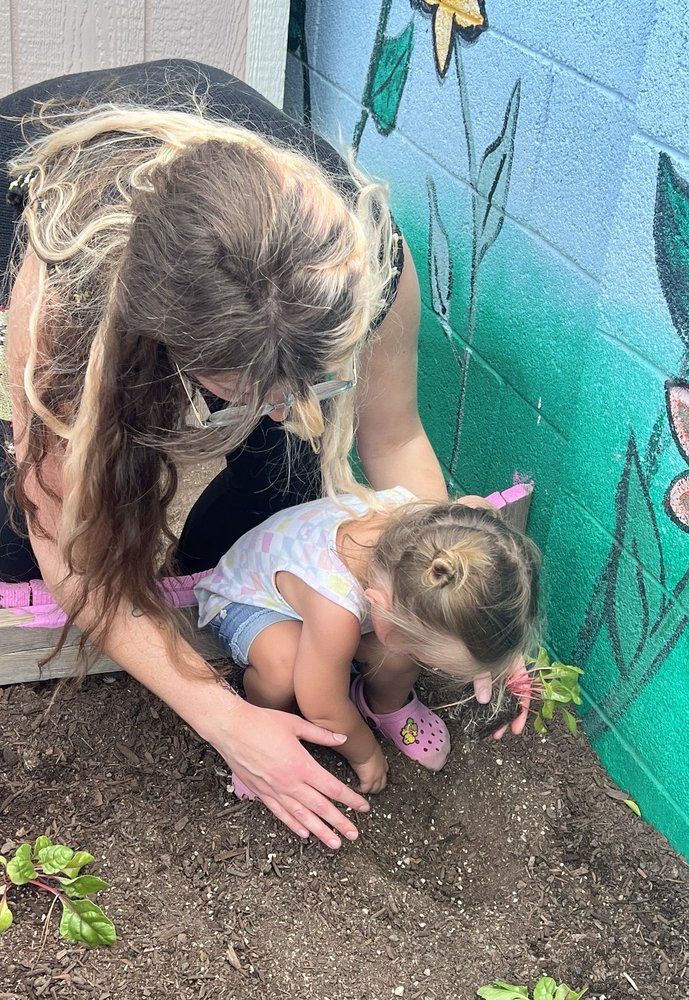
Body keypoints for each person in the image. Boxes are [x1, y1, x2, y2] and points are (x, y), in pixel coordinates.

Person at [0, 60, 526, 849]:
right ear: (164, 342)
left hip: (246, 272)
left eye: (310, 377)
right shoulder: (66, 297)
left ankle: (218, 567)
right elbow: (66, 547)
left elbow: (392, 435)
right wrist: (225, 719)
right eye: (246, 389)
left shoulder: (364, 254)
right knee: (23, 546)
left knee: (293, 468)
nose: (284, 409)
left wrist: (451, 596)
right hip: (43, 205)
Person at [194, 490, 541, 796]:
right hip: (250, 597)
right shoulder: (337, 612)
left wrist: (492, 647)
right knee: (284, 671)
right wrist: (365, 753)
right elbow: (321, 704)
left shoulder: (452, 531)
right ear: (379, 605)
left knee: (397, 653)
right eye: (430, 657)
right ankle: (261, 725)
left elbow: (479, 510)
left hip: (320, 598)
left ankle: (385, 705)